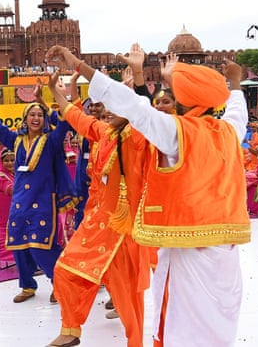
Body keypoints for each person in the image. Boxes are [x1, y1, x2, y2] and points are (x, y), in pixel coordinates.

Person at [46, 43, 251, 347]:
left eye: (173, 93)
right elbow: (238, 111)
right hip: (226, 256)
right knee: (218, 328)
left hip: (187, 255)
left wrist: (79, 65)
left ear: (183, 100)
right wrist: (234, 84)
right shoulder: (228, 132)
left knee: (179, 328)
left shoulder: (176, 133)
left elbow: (131, 105)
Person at [45, 69, 150, 347]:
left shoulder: (136, 138)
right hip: (96, 223)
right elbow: (77, 117)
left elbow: (145, 115)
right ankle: (71, 329)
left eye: (115, 106)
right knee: (66, 270)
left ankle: (135, 342)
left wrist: (137, 80)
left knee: (128, 294)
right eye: (105, 107)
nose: (106, 111)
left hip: (121, 228)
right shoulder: (104, 132)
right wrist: (56, 91)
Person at [0, 79, 76, 304]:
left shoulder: (51, 141)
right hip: (20, 202)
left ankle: (60, 283)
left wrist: (53, 96)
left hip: (43, 201)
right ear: (24, 119)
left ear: (44, 119)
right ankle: (27, 285)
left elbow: (65, 123)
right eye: (31, 115)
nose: (35, 118)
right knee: (18, 244)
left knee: (42, 245)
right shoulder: (16, 141)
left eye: (39, 115)